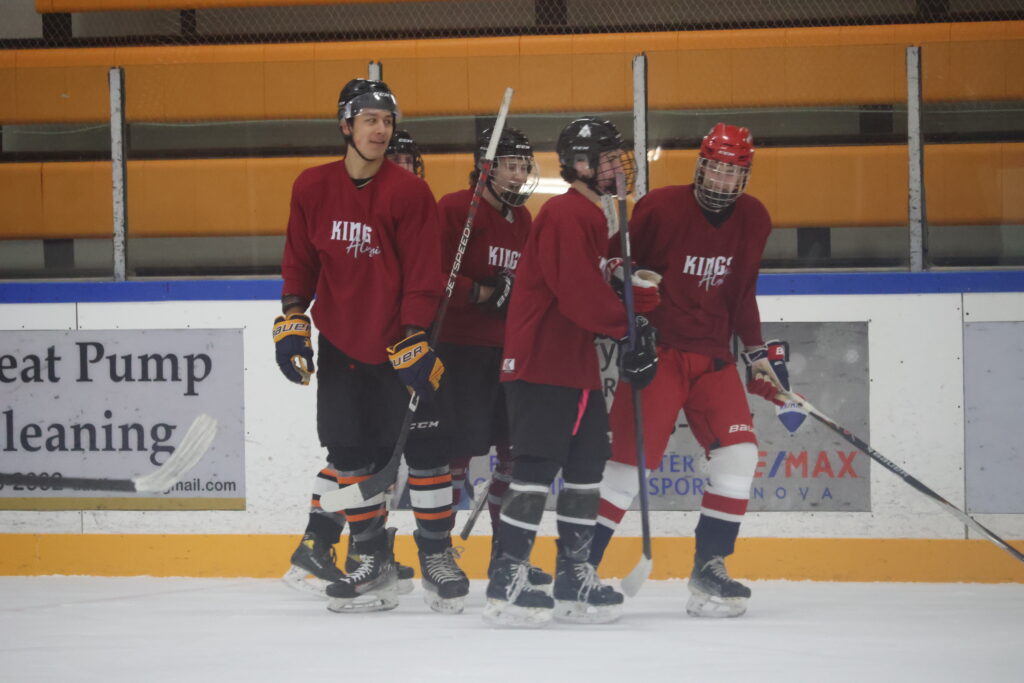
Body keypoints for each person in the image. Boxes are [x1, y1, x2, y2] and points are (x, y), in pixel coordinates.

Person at [274, 78, 468, 614]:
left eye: (387, 121)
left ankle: (437, 556)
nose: (380, 130)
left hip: (400, 346)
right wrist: (293, 318)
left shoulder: (409, 192)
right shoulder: (312, 187)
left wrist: (415, 335)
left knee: (427, 454)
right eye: (369, 120)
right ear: (346, 126)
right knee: (349, 456)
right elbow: (299, 260)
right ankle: (371, 557)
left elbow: (424, 273)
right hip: (341, 347)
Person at [587, 123, 787, 619]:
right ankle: (580, 565)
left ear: (745, 176)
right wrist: (624, 281)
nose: (721, 179)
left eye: (732, 171)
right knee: (626, 468)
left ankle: (709, 565)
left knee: (739, 456)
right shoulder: (661, 207)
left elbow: (741, 293)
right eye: (715, 168)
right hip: (660, 351)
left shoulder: (755, 218)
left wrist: (756, 352)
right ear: (701, 166)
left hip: (714, 356)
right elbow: (610, 260)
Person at [484, 117, 661, 628]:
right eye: (606, 160)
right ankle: (508, 579)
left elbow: (593, 280)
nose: (616, 168)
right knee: (536, 470)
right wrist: (629, 326)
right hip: (540, 363)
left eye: (615, 159)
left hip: (574, 365)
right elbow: (579, 296)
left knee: (587, 466)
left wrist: (626, 286)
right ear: (579, 165)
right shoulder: (565, 213)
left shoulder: (594, 217)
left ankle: (573, 576)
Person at [434, 126, 550, 589]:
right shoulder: (454, 209)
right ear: (487, 166)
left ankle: (508, 554)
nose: (519, 175)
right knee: (455, 456)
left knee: (514, 455)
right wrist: (482, 292)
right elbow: (433, 276)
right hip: (460, 350)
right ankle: (439, 553)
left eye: (523, 166)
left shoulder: (523, 220)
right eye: (510, 166)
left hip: (509, 354)